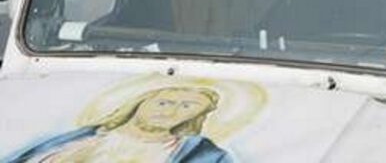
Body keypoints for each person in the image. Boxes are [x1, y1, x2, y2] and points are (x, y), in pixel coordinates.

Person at [5, 87, 232, 162]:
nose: (171, 111)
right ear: (140, 102)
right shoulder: (83, 138)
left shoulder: (201, 154)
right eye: (164, 102)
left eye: (187, 108)